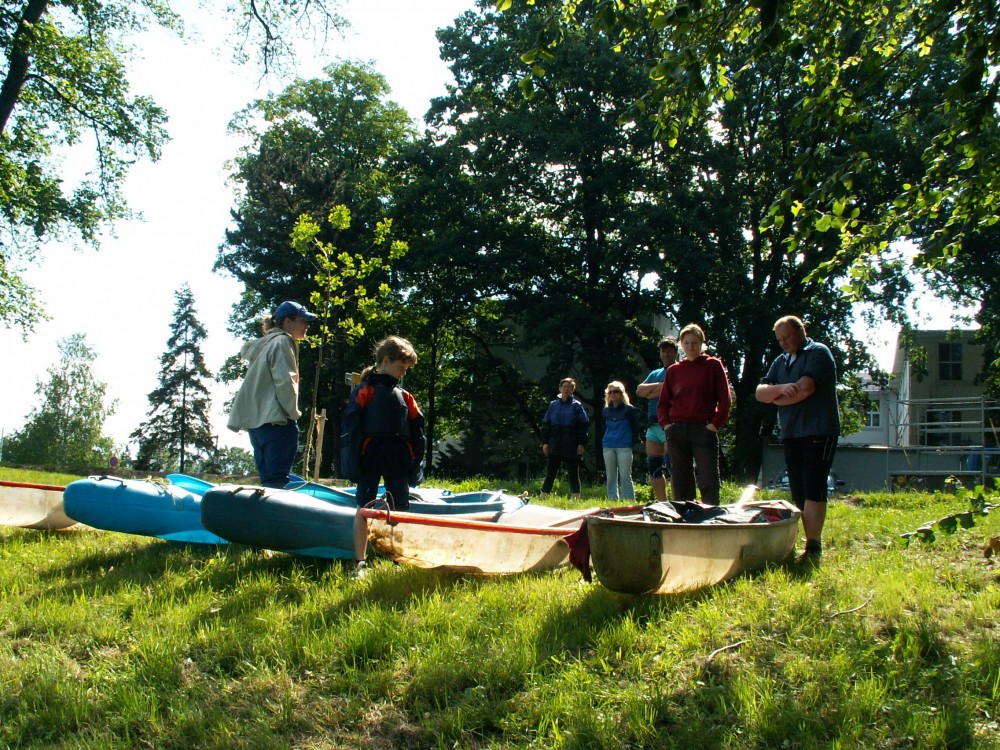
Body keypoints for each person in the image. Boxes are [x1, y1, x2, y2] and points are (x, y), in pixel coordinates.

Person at [755, 315, 840, 562]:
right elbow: (760, 393)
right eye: (780, 339)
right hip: (792, 433)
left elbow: (805, 389)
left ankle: (814, 545)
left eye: (788, 337)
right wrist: (781, 389)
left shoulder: (818, 352)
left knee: (814, 488)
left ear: (802, 331)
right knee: (799, 491)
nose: (784, 343)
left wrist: (777, 398)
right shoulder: (780, 361)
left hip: (818, 431)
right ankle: (805, 541)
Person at [341, 336, 425, 578]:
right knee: (364, 507)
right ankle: (360, 562)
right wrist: (351, 462)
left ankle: (399, 560)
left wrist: (415, 466)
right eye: (401, 367)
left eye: (406, 369)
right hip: (370, 456)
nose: (403, 373)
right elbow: (351, 428)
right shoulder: (365, 390)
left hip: (398, 458)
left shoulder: (406, 397)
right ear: (385, 361)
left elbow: (418, 432)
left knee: (400, 509)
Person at [227, 300, 317, 488]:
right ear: (287, 322)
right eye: (303, 321)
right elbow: (285, 381)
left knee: (268, 481)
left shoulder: (263, 345)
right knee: (277, 482)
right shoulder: (283, 341)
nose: (307, 325)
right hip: (277, 422)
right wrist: (293, 414)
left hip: (257, 425)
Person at [657, 323, 732, 505]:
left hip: (703, 428)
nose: (691, 347)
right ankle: (685, 514)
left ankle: (710, 514)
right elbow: (663, 403)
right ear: (681, 345)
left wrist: (714, 425)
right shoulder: (674, 370)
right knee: (680, 479)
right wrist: (666, 425)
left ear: (702, 344)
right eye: (687, 343)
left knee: (708, 477)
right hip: (677, 429)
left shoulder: (712, 365)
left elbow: (725, 399)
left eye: (695, 343)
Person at [636, 338, 678, 500]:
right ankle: (663, 503)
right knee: (654, 467)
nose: (665, 354)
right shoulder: (655, 373)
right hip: (653, 425)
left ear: (675, 353)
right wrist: (661, 387)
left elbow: (674, 390)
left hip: (670, 423)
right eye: (663, 351)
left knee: (673, 466)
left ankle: (678, 502)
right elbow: (640, 391)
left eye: (669, 351)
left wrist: (652, 392)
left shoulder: (679, 370)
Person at [540, 377, 590, 499]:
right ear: (560, 388)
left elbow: (583, 425)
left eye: (569, 387)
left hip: (571, 441)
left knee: (573, 471)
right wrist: (545, 442)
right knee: (551, 471)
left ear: (573, 389)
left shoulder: (576, 406)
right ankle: (544, 495)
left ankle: (575, 496)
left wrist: (581, 443)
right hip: (555, 441)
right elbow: (546, 424)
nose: (566, 389)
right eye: (564, 386)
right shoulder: (553, 405)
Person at [601, 381, 641, 501]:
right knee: (610, 476)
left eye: (616, 391)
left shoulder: (630, 410)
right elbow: (603, 428)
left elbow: (635, 428)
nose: (613, 394)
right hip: (608, 446)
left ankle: (629, 500)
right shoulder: (606, 410)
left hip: (624, 446)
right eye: (610, 392)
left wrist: (630, 442)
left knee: (625, 476)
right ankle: (612, 499)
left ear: (622, 393)